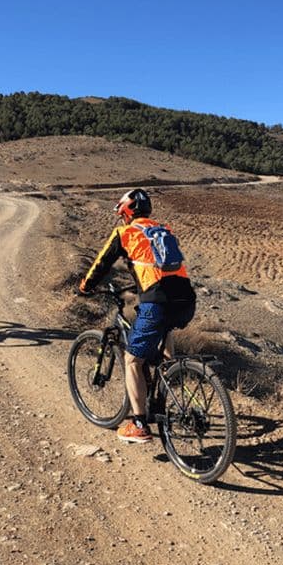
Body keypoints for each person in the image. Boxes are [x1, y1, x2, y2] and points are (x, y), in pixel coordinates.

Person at [78, 188, 196, 443]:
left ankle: (139, 423)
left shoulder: (125, 232)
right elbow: (159, 265)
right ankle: (167, 380)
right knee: (163, 335)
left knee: (132, 360)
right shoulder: (164, 230)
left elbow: (101, 263)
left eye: (122, 214)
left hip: (158, 301)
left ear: (127, 212)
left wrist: (85, 286)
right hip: (186, 299)